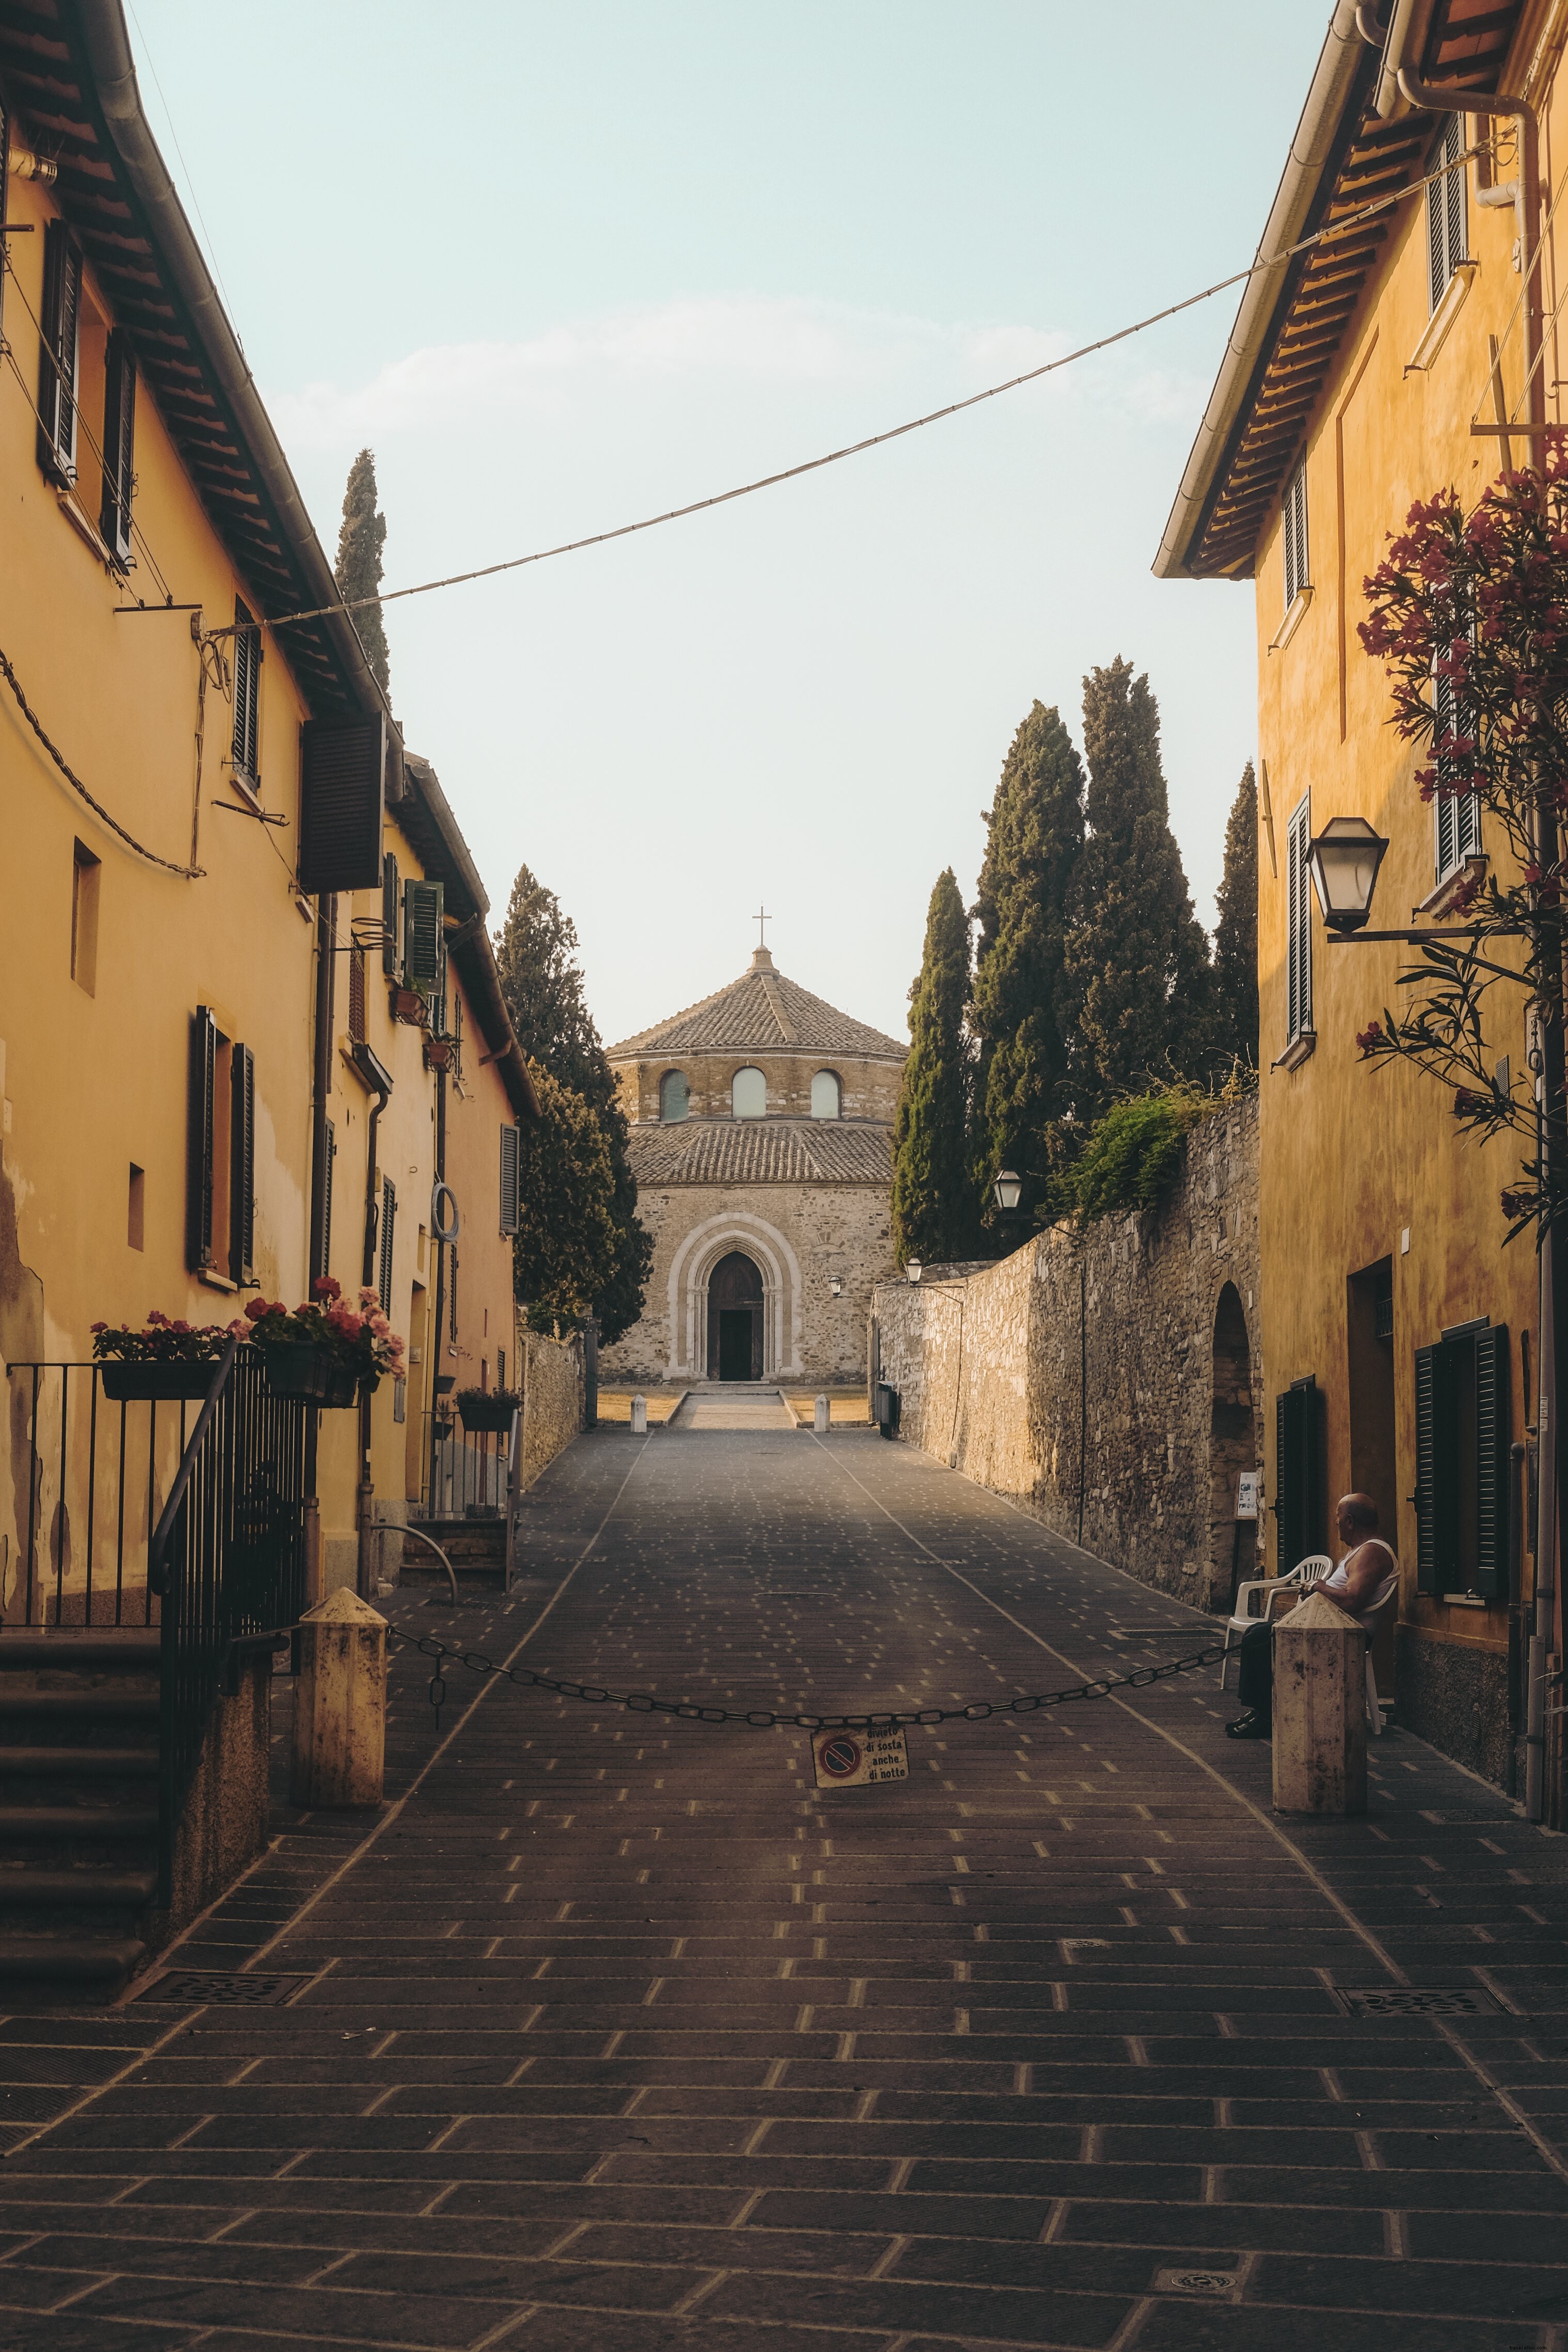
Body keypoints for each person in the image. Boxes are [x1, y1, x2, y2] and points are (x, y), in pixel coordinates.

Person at [1226, 1492, 1396, 1740]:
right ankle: (1263, 1710)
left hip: (1347, 1635)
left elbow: (1352, 1600)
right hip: (1330, 1628)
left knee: (1260, 1637)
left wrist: (1317, 1586)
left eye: (1338, 1519)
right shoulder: (1360, 1551)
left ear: (1350, 1521)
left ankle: (1266, 1716)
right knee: (1258, 1633)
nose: (1336, 1524)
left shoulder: (1371, 1552)